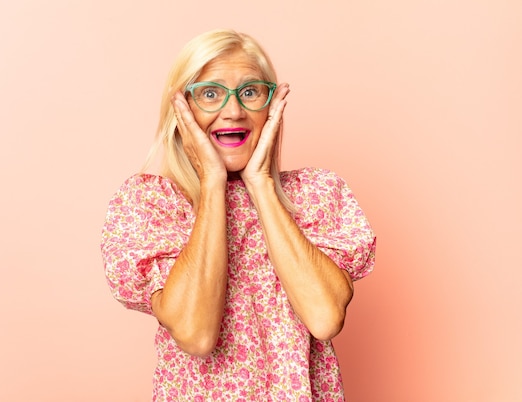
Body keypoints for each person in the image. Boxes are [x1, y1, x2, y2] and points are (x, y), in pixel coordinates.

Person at [101, 28, 376, 401]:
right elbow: (196, 335)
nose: (233, 111)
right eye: (210, 94)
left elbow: (324, 318)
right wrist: (212, 182)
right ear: (181, 109)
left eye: (250, 92)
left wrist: (261, 183)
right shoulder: (151, 205)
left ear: (270, 106)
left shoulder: (317, 195)